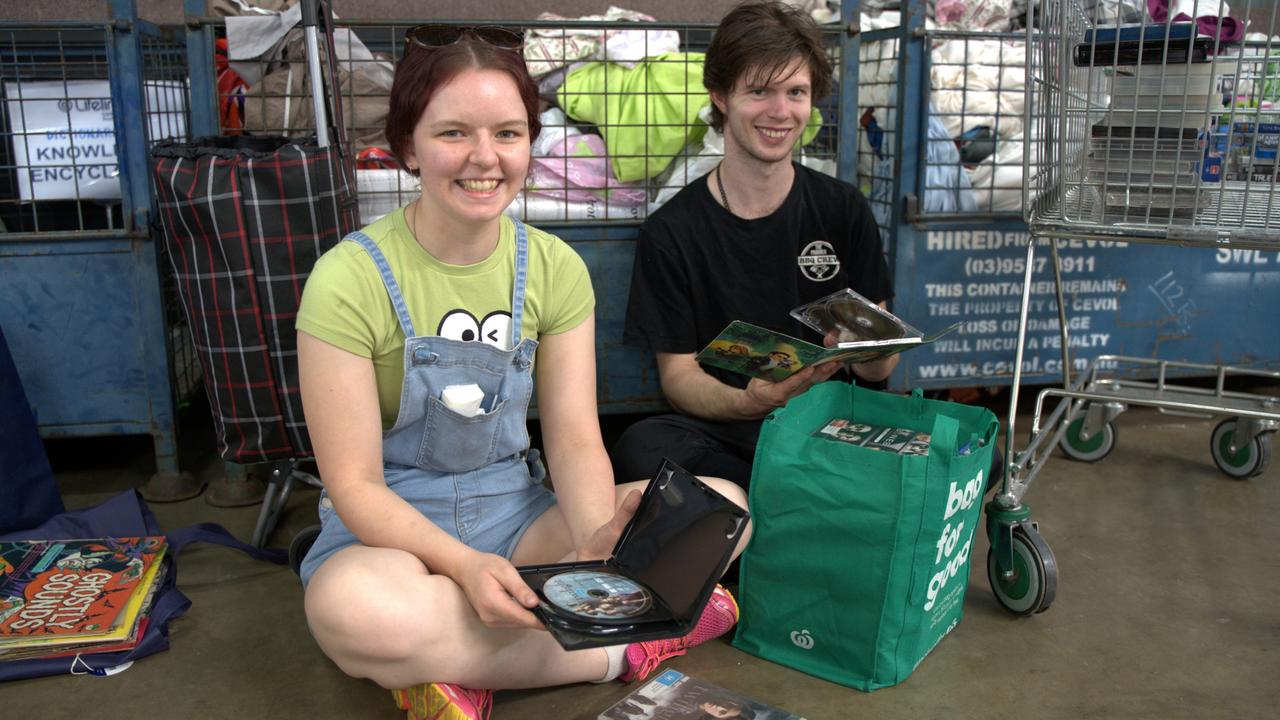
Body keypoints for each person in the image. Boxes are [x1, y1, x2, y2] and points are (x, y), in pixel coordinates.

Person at [294, 25, 749, 720]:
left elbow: (571, 440)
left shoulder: (555, 268)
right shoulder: (346, 279)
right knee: (357, 612)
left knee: (723, 509)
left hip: (515, 510)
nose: (485, 158)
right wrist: (466, 568)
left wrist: (598, 544)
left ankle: (455, 666)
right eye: (454, 133)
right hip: (390, 532)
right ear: (409, 146)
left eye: (508, 133)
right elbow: (354, 486)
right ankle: (624, 649)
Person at [613, 1, 896, 489]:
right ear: (720, 95)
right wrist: (751, 401)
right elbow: (679, 381)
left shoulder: (842, 208)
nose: (780, 112)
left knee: (973, 451)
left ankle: (778, 514)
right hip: (732, 434)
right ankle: (815, 507)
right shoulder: (672, 232)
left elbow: (880, 369)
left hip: (829, 427)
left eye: (796, 92)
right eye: (759, 91)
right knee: (642, 449)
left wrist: (865, 348)